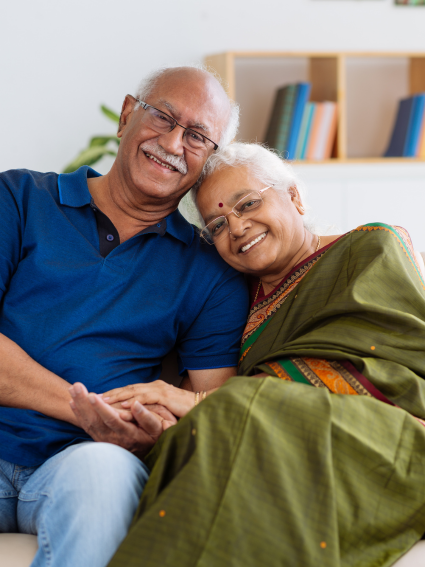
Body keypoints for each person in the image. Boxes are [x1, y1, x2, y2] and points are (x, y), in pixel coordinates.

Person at [105, 143, 425, 567]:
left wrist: (198, 403)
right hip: (271, 438)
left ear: (293, 196)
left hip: (382, 438)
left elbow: (388, 372)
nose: (235, 227)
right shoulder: (229, 300)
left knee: (233, 411)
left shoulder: (370, 249)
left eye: (248, 203)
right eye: (216, 225)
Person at [0, 68, 249, 567]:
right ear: (127, 115)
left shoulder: (212, 273)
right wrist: (85, 409)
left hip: (83, 461)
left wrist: (151, 429)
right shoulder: (19, 198)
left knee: (103, 478)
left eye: (198, 136)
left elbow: (211, 406)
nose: (174, 142)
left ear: (207, 161)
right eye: (163, 116)